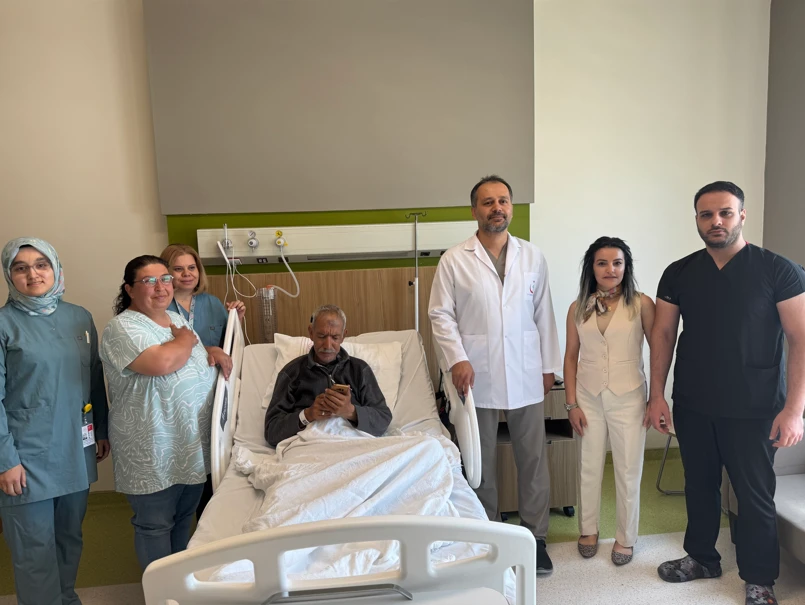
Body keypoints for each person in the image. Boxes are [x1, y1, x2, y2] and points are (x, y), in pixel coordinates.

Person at [646, 181, 805, 605]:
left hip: (755, 406)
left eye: (725, 212)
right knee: (698, 485)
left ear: (741, 215)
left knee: (754, 495)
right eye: (706, 214)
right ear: (697, 220)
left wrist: (795, 409)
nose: (715, 221)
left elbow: (800, 338)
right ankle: (701, 558)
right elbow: (663, 333)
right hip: (694, 402)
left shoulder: (778, 270)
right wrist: (657, 394)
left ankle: (759, 579)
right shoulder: (679, 272)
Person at [428, 175, 561, 574]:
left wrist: (548, 368)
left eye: (503, 200)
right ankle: (488, 534)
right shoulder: (455, 259)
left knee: (533, 460)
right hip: (476, 376)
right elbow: (440, 315)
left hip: (525, 372)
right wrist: (457, 359)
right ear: (475, 211)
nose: (497, 208)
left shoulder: (532, 256)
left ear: (511, 208)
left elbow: (544, 314)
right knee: (480, 461)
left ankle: (535, 538)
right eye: (488, 202)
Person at [100, 255, 232, 571]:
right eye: (149, 281)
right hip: (153, 448)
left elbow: (189, 356)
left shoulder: (176, 320)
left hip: (189, 445)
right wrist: (186, 340)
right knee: (155, 524)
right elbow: (162, 362)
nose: (160, 287)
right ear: (130, 289)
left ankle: (177, 583)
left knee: (184, 517)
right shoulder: (122, 327)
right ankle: (161, 590)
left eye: (165, 279)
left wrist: (209, 350)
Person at [0, 237, 110, 605]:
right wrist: (5, 460)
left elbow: (93, 376)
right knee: (34, 548)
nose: (33, 274)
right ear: (9, 275)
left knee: (69, 537)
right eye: (20, 267)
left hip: (75, 449)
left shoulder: (79, 317)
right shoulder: (4, 324)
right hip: (24, 456)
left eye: (41, 264)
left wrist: (101, 430)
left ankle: (65, 598)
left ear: (56, 269)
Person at [563, 237, 655, 565]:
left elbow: (658, 351)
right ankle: (588, 529)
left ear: (626, 267)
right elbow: (570, 357)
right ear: (591, 268)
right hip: (588, 397)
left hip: (629, 397)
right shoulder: (578, 307)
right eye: (602, 263)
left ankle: (626, 538)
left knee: (628, 470)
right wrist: (571, 404)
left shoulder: (642, 304)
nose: (610, 269)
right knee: (588, 466)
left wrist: (656, 398)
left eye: (617, 263)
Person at [160, 243, 245, 519]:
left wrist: (236, 320)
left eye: (192, 267)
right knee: (184, 463)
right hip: (179, 396)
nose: (187, 274)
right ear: (165, 273)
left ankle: (207, 523)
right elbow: (162, 352)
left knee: (210, 464)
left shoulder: (211, 303)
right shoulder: (159, 308)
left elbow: (229, 347)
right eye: (178, 269)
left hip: (213, 394)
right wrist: (207, 349)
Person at [264, 304, 392, 448]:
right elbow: (271, 432)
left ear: (343, 336)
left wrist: (351, 411)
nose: (327, 345)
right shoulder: (292, 373)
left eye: (335, 337)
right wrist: (307, 415)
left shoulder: (359, 370)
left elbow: (383, 419)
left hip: (352, 445)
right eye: (321, 336)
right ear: (311, 333)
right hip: (309, 447)